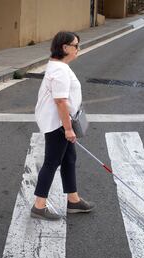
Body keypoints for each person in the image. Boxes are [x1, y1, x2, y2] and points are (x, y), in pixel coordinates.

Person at [32, 31, 95, 220]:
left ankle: (73, 200)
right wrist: (68, 128)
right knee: (51, 162)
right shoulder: (59, 71)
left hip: (61, 120)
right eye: (76, 45)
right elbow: (60, 101)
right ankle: (39, 206)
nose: (78, 49)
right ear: (65, 48)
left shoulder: (59, 66)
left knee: (69, 159)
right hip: (57, 124)